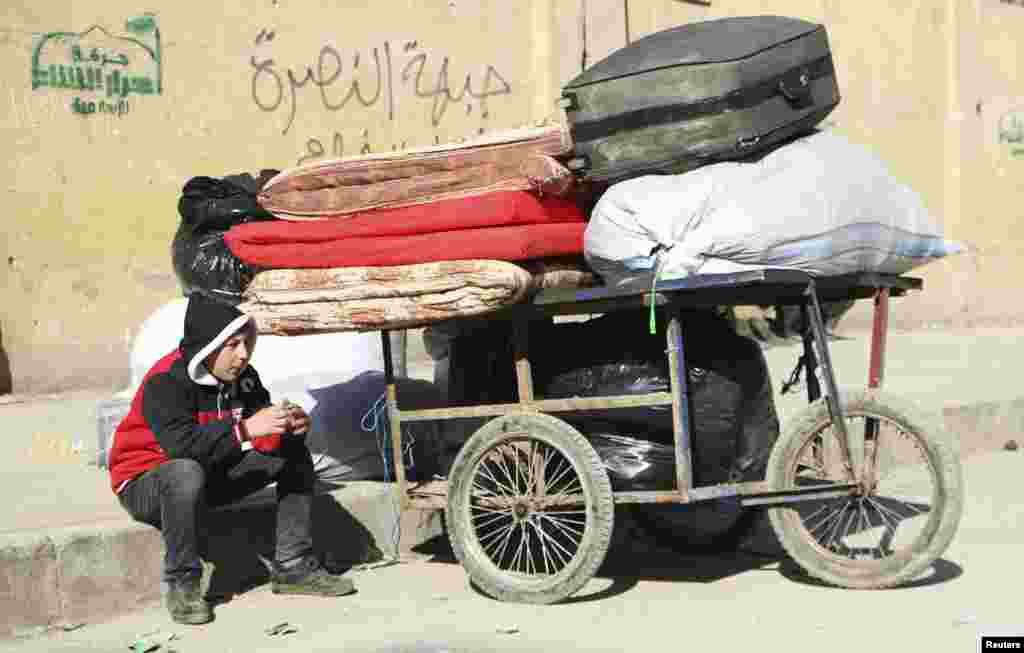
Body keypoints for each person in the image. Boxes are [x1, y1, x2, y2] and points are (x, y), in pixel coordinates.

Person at [107, 293, 355, 625]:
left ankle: (293, 567)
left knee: (292, 453)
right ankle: (184, 585)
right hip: (145, 482)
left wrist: (287, 427)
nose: (243, 354)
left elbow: (258, 430)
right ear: (208, 346)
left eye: (246, 343)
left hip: (207, 474)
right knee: (183, 472)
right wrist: (246, 429)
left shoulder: (244, 377)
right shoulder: (166, 381)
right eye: (233, 345)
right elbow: (182, 448)